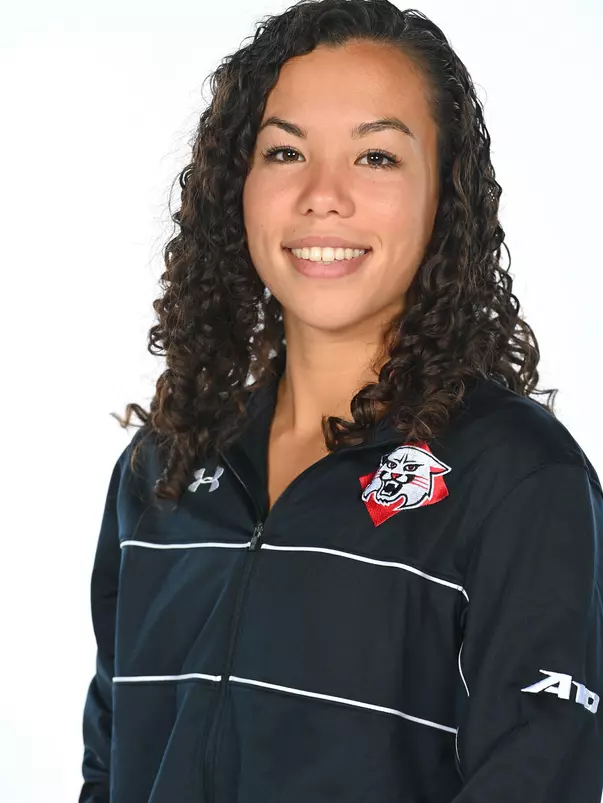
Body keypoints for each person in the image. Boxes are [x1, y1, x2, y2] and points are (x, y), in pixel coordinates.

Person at [78, 1, 603, 801]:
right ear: (237, 189)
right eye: (284, 151)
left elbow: (541, 773)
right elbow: (109, 768)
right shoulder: (163, 470)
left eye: (377, 158)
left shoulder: (518, 478)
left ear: (444, 195)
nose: (322, 195)